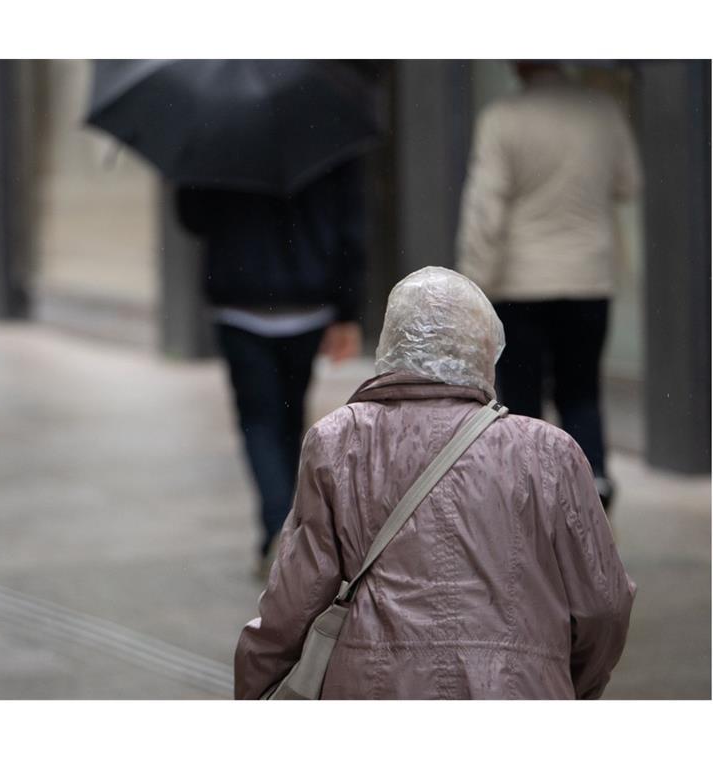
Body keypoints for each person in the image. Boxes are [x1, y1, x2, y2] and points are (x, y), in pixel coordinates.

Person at [234, 267, 635, 699]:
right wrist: (562, 682)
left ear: (390, 347)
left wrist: (257, 689)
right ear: (485, 353)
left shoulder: (339, 442)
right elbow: (604, 606)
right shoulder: (549, 452)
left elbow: (295, 601)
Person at [456, 61, 643, 511]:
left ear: (520, 62)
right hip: (588, 278)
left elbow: (486, 212)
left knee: (522, 396)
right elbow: (629, 182)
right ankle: (592, 483)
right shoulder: (603, 111)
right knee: (581, 388)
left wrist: (472, 285)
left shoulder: (503, 119)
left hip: (521, 284)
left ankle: (530, 496)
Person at [177, 159, 366, 578]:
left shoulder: (216, 134)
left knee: (259, 421)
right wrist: (348, 309)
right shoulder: (325, 137)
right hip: (306, 300)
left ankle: (278, 529)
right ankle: (288, 529)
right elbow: (350, 227)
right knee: (287, 416)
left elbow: (192, 217)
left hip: (239, 300)